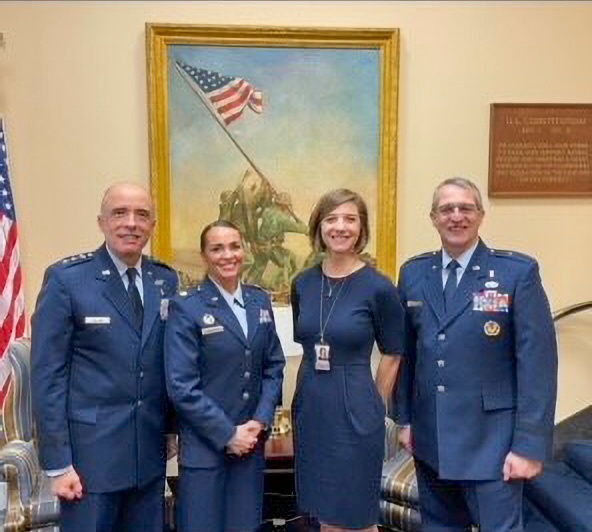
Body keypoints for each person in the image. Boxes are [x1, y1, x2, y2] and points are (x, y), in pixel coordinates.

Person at [395, 177, 558, 531]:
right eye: (447, 209)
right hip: (431, 440)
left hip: (493, 444)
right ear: (433, 218)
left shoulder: (516, 273)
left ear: (481, 215)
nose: (456, 216)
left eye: (466, 208)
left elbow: (538, 365)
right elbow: (408, 354)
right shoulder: (413, 273)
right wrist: (405, 420)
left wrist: (529, 446)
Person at [30, 182, 178, 532]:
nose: (131, 223)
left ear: (152, 225)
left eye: (142, 215)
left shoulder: (165, 281)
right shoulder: (68, 280)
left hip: (148, 457)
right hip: (89, 462)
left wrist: (173, 429)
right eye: (119, 213)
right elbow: (47, 375)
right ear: (101, 222)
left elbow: (167, 362)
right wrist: (58, 463)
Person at [291, 189, 405, 532]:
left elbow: (394, 350)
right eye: (331, 219)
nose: (340, 227)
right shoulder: (303, 284)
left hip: (356, 403)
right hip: (312, 405)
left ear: (362, 228)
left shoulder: (378, 287)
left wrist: (376, 404)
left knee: (356, 512)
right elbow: (309, 344)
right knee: (323, 509)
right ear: (319, 228)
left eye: (350, 219)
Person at [164, 220, 285, 532]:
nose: (228, 255)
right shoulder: (187, 306)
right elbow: (181, 386)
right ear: (205, 256)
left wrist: (258, 422)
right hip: (206, 448)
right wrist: (228, 434)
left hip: (249, 447)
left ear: (244, 251)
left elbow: (273, 366)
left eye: (234, 246)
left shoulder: (259, 301)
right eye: (217, 248)